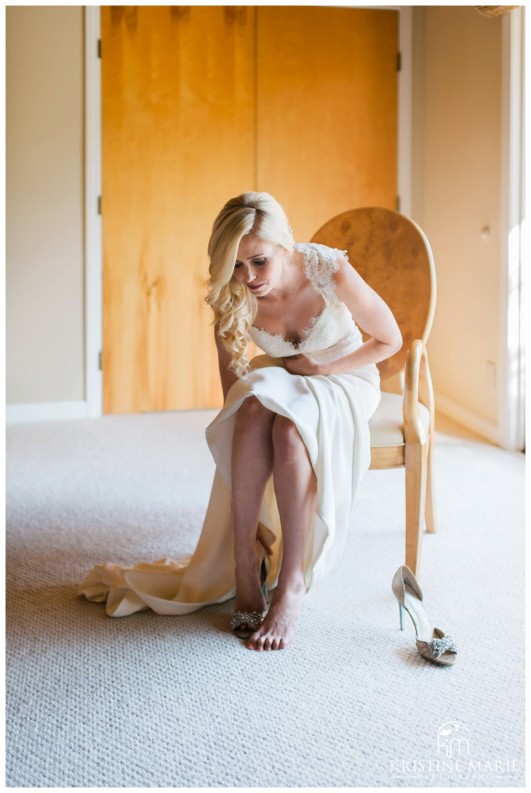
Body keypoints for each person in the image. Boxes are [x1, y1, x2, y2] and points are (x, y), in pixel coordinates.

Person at [79, 191, 402, 652]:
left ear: (284, 246)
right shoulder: (232, 295)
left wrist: (321, 369)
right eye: (234, 265)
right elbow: (234, 390)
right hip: (288, 377)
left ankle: (290, 584)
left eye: (258, 262)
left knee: (291, 431)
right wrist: (275, 390)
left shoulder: (328, 269)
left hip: (344, 376)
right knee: (250, 411)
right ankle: (245, 561)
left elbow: (389, 339)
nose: (247, 277)